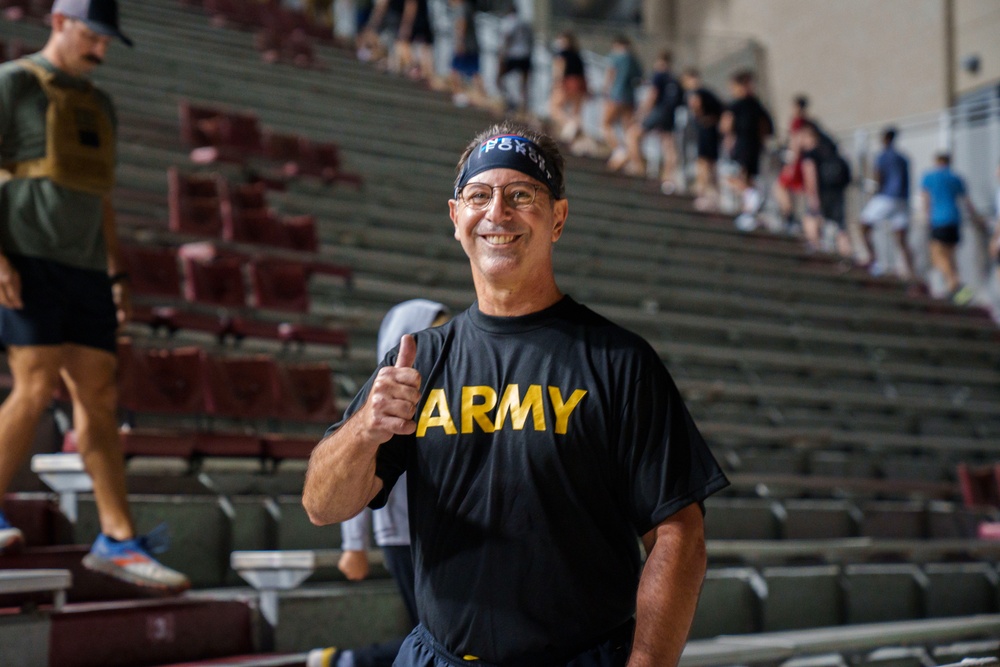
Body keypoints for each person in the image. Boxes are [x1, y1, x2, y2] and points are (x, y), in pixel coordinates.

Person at [302, 120, 729, 667]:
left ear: (558, 218)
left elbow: (680, 534)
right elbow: (322, 505)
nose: (497, 213)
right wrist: (365, 429)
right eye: (479, 196)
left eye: (521, 195)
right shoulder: (420, 361)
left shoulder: (619, 362)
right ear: (456, 217)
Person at [0, 0, 189, 592]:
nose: (101, 49)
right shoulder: (13, 83)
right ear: (59, 22)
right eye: (94, 36)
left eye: (109, 40)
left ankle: (117, 540)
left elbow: (99, 196)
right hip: (26, 257)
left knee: (99, 398)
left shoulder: (100, 103)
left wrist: (116, 274)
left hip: (84, 269)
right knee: (33, 385)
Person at [318, 300, 449, 667]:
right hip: (402, 537)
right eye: (430, 333)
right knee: (434, 636)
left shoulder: (443, 394)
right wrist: (354, 545)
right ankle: (351, 662)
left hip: (435, 532)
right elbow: (355, 479)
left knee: (435, 635)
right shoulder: (381, 407)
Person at [920, 152, 987, 305]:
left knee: (937, 256)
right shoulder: (956, 178)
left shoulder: (930, 176)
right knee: (950, 256)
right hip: (955, 220)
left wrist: (927, 218)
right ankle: (955, 291)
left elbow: (926, 199)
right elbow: (967, 202)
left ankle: (955, 284)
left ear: (937, 161)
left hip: (938, 220)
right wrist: (977, 219)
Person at [857, 127, 915, 280]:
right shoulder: (903, 158)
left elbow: (879, 177)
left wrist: (874, 191)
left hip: (887, 196)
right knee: (902, 239)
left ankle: (873, 259)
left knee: (863, 224)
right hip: (903, 200)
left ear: (885, 139)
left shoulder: (882, 156)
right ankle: (911, 272)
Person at [720, 70, 773, 229]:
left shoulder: (736, 105)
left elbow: (726, 126)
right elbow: (766, 127)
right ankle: (748, 212)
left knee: (737, 177)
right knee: (748, 178)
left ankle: (753, 198)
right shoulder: (757, 104)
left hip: (742, 145)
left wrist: (729, 141)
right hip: (755, 146)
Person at [625, 50, 684, 193]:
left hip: (658, 112)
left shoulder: (659, 75)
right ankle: (667, 178)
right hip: (670, 115)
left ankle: (638, 167)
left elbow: (653, 95)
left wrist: (641, 113)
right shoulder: (675, 79)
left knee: (632, 135)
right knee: (668, 146)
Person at [800, 121, 853, 257]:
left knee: (810, 219)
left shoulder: (810, 154)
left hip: (821, 193)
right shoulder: (829, 149)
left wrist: (813, 197)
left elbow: (810, 177)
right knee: (841, 227)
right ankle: (847, 257)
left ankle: (817, 252)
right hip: (837, 193)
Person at [681, 68, 724, 212]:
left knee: (703, 162)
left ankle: (703, 193)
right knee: (711, 163)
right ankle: (716, 195)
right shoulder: (709, 92)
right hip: (712, 130)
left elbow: (696, 105)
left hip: (705, 129)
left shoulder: (697, 93)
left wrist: (698, 118)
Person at [602, 35, 642, 172]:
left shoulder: (615, 56)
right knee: (628, 129)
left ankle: (619, 150)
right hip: (630, 98)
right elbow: (639, 79)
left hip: (616, 95)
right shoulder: (634, 59)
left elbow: (611, 74)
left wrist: (606, 91)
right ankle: (634, 161)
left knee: (606, 124)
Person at [771, 95, 810, 232]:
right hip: (802, 163)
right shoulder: (807, 122)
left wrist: (791, 163)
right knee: (796, 191)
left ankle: (790, 218)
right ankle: (795, 219)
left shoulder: (797, 122)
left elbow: (796, 142)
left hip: (796, 163)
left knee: (779, 188)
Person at [548, 31, 588, 144]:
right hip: (580, 84)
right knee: (576, 113)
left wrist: (556, 83)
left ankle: (569, 124)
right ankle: (573, 135)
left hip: (567, 82)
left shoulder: (561, 54)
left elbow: (559, 70)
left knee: (554, 108)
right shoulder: (577, 55)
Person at [446, 0, 486, 107]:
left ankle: (459, 95)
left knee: (455, 69)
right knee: (474, 72)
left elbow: (461, 23)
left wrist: (459, 42)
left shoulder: (461, 7)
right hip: (472, 45)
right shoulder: (467, 7)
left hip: (465, 45)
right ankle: (481, 96)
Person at [495, 6, 533, 114]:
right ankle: (524, 107)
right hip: (526, 55)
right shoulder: (525, 22)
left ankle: (509, 103)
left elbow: (508, 37)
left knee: (499, 79)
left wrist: (502, 55)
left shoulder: (508, 21)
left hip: (513, 55)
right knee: (524, 84)